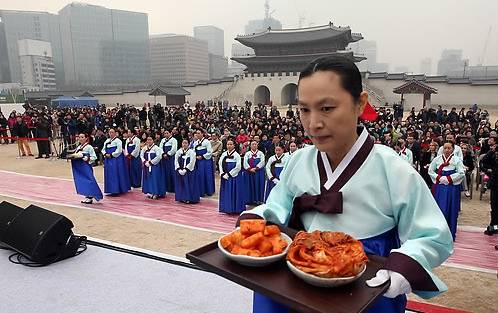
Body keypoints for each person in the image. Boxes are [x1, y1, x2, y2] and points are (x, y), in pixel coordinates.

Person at [237, 56, 453, 313]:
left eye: (327, 108)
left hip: (362, 281)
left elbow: (432, 235)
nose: (313, 123)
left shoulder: (392, 169)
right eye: (304, 109)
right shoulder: (298, 160)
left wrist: (405, 264)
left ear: (360, 103)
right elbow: (278, 205)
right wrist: (257, 219)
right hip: (296, 274)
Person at [429, 141, 465, 241]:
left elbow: (461, 173)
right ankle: (438, 233)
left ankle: (450, 233)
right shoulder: (437, 159)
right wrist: (439, 177)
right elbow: (430, 171)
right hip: (440, 186)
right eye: (445, 148)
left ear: (453, 149)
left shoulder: (457, 160)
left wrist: (449, 178)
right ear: (442, 149)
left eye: (449, 148)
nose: (447, 150)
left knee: (452, 209)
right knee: (440, 208)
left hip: (452, 186)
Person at [70, 133, 103, 204]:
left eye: (82, 137)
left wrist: (87, 158)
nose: (80, 139)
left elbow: (94, 157)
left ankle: (92, 196)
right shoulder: (78, 147)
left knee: (89, 180)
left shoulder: (89, 147)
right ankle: (87, 195)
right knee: (83, 181)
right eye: (79, 137)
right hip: (79, 167)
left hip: (86, 166)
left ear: (86, 138)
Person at [218, 138, 245, 214]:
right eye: (228, 144)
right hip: (225, 176)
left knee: (234, 191)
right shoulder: (224, 154)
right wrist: (222, 173)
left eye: (231, 144)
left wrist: (229, 174)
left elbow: (238, 167)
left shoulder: (237, 155)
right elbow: (220, 164)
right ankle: (226, 208)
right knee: (226, 191)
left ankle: (234, 209)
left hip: (234, 177)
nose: (229, 146)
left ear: (234, 145)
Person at [102, 128, 130, 195]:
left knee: (115, 173)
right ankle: (111, 189)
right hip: (108, 159)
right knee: (109, 174)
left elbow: (119, 150)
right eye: (110, 132)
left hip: (116, 159)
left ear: (115, 133)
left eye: (112, 132)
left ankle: (117, 190)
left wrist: (111, 155)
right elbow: (103, 149)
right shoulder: (107, 141)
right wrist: (105, 154)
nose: (111, 134)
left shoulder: (118, 141)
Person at [191, 129, 215, 197]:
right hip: (198, 160)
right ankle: (200, 190)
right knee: (199, 175)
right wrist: (195, 156)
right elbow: (193, 150)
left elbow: (210, 152)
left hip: (205, 161)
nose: (197, 135)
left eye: (199, 133)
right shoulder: (195, 142)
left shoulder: (207, 142)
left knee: (206, 175)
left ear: (202, 134)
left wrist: (202, 156)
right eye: (197, 133)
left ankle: (208, 190)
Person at [174, 139, 199, 204]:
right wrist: (179, 169)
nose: (184, 144)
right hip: (180, 170)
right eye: (183, 143)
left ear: (188, 144)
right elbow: (176, 160)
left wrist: (186, 169)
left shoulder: (192, 152)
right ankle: (181, 197)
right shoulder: (179, 151)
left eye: (186, 143)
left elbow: (192, 161)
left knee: (189, 184)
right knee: (181, 184)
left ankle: (189, 198)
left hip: (189, 172)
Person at [481, 144, 498, 235]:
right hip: (495, 186)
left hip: (495, 185)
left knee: (495, 208)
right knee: (494, 208)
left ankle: (493, 228)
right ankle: (493, 228)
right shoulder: (493, 155)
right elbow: (484, 161)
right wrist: (492, 151)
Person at [243, 140, 266, 205]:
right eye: (252, 144)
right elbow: (245, 162)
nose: (254, 145)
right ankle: (249, 199)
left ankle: (258, 200)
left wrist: (256, 168)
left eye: (255, 144)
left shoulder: (261, 153)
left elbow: (263, 162)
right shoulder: (247, 154)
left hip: (258, 172)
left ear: (257, 145)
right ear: (250, 146)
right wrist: (249, 169)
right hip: (249, 172)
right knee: (249, 185)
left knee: (258, 185)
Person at [160, 129, 178, 193]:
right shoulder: (163, 140)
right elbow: (160, 148)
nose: (166, 134)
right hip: (164, 158)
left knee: (172, 172)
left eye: (167, 133)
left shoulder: (174, 140)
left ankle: (173, 188)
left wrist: (168, 154)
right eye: (165, 133)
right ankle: (166, 187)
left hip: (171, 158)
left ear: (170, 133)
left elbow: (174, 149)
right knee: (165, 172)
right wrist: (163, 154)